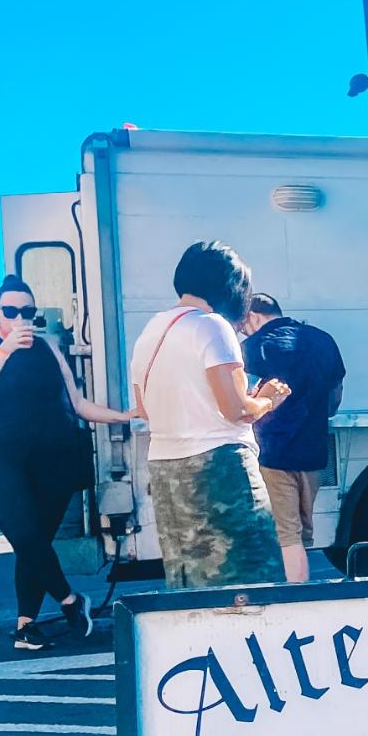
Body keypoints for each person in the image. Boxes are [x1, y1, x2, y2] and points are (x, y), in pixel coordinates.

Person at [0, 276, 133, 650]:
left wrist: (122, 416)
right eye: (11, 311)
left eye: (28, 311)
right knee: (25, 533)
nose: (20, 319)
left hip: (52, 458)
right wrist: (4, 350)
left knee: (33, 540)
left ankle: (25, 624)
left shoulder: (49, 347)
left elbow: (78, 404)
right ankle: (70, 601)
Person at [129, 241, 291, 589]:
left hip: (165, 470)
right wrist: (267, 398)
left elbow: (143, 408)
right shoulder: (211, 326)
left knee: (190, 582)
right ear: (232, 287)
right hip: (220, 469)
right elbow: (236, 409)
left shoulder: (150, 331)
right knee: (250, 578)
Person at [238, 294, 346, 584]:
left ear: (253, 316)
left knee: (286, 535)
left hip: (271, 454)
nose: (241, 329)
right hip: (313, 453)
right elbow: (335, 395)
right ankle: (299, 585)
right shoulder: (323, 340)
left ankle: (295, 597)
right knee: (303, 533)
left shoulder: (252, 348)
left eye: (241, 323)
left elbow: (243, 402)